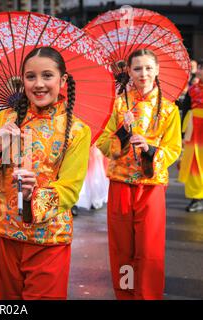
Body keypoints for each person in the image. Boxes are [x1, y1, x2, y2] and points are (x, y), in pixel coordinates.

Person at [0, 46, 91, 300]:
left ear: (63, 80)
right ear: (22, 80)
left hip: (49, 238)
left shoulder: (77, 130)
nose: (39, 84)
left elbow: (69, 190)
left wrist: (36, 194)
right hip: (4, 233)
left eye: (47, 76)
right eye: (31, 77)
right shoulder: (5, 120)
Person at [96, 49, 182, 300]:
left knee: (149, 250)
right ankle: (125, 294)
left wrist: (150, 150)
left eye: (147, 68)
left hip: (151, 186)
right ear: (129, 72)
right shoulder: (117, 104)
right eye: (137, 69)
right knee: (122, 249)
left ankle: (148, 296)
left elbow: (174, 148)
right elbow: (102, 142)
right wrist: (123, 131)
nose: (143, 74)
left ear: (156, 71)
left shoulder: (169, 109)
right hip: (120, 185)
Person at [178, 59, 203, 212]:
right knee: (194, 163)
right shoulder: (192, 89)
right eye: (199, 67)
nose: (199, 70)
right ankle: (196, 197)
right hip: (194, 130)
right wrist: (181, 134)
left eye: (201, 68)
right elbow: (186, 109)